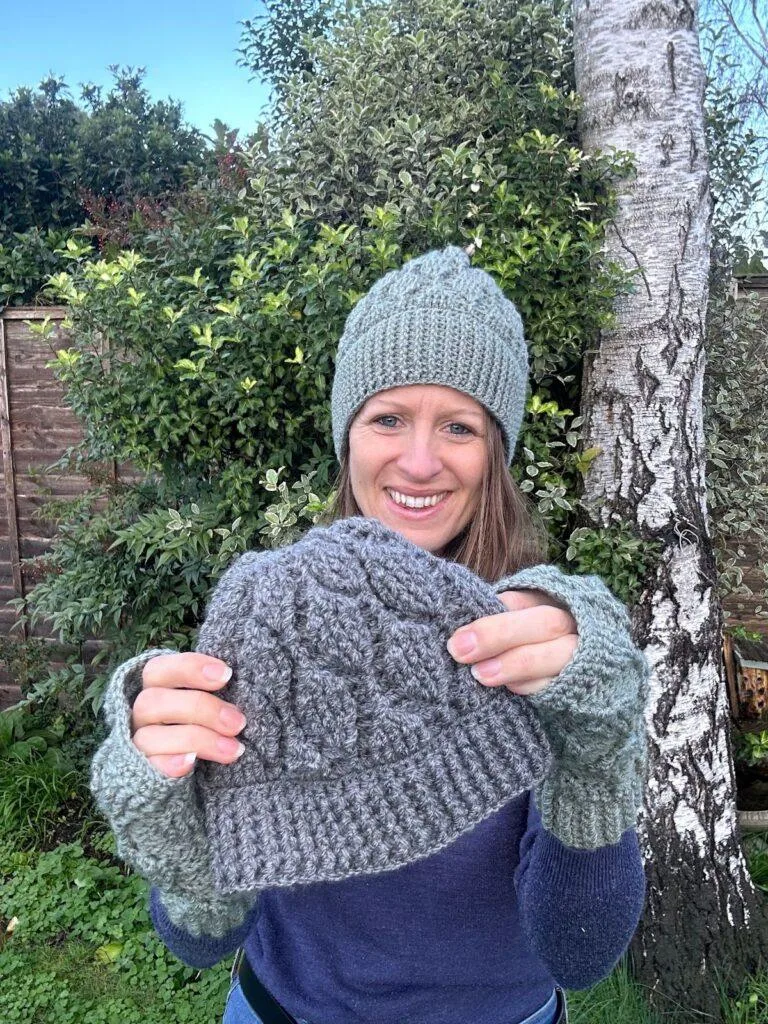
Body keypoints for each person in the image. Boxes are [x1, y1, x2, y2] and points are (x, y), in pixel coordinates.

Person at [90, 245, 648, 1024]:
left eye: (458, 426)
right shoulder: (271, 623)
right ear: (347, 436)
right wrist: (167, 811)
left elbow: (579, 956)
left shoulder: (549, 649)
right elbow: (200, 941)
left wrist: (600, 746)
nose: (418, 462)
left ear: (497, 451)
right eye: (388, 419)